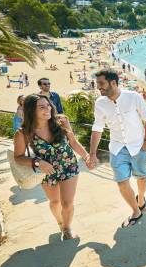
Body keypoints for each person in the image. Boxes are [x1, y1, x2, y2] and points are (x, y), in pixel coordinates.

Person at [13, 94, 89, 240]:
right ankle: (60, 223)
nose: (47, 109)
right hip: (46, 171)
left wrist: (86, 157)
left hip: (68, 166)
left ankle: (67, 229)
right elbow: (18, 158)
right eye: (42, 107)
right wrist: (37, 162)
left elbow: (73, 142)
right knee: (55, 202)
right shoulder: (23, 133)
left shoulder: (61, 122)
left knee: (67, 203)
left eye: (48, 105)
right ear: (31, 111)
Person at [87, 69, 146, 228]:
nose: (99, 88)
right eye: (98, 84)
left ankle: (141, 199)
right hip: (117, 148)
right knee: (121, 181)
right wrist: (92, 154)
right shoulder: (100, 103)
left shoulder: (133, 97)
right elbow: (97, 128)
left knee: (142, 177)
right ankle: (136, 211)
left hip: (138, 146)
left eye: (101, 84)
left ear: (114, 83)